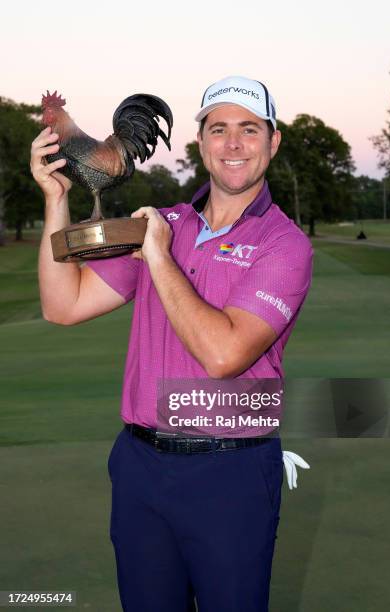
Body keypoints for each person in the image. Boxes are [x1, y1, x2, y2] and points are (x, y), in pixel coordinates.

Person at [31, 75, 313, 612]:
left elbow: (225, 356)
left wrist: (157, 254)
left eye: (249, 130)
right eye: (219, 129)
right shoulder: (167, 223)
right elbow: (62, 306)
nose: (233, 144)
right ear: (202, 141)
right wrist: (56, 201)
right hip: (139, 466)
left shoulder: (284, 244)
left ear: (272, 142)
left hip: (230, 470)